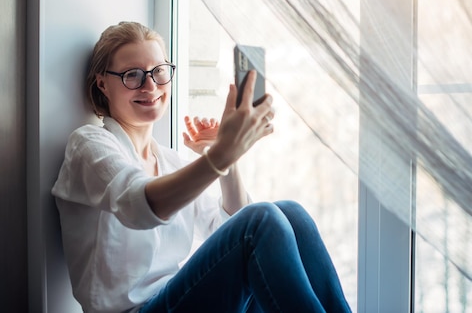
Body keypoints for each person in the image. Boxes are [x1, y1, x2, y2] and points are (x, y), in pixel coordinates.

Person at [51, 21, 351, 313]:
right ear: (102, 83)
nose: (151, 86)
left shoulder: (170, 162)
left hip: (177, 301)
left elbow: (229, 228)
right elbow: (139, 204)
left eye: (159, 72)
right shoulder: (89, 144)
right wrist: (219, 155)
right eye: (133, 75)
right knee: (263, 218)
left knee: (291, 214)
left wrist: (227, 160)